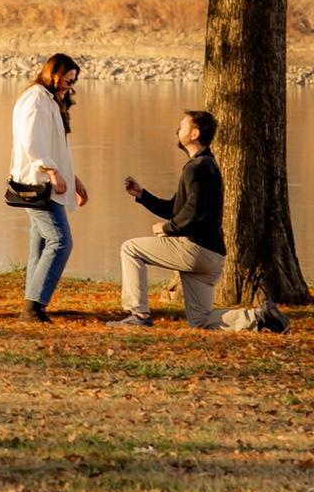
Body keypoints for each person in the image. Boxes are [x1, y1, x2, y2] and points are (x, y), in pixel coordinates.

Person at [109, 109, 289, 333]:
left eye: (182, 126)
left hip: (196, 251)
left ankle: (138, 314)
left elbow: (192, 215)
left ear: (194, 134)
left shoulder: (198, 168)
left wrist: (166, 229)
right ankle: (260, 317)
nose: (178, 130)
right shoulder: (204, 165)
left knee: (130, 248)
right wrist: (142, 195)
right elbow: (177, 209)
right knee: (201, 320)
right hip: (212, 257)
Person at [8, 53, 88, 322]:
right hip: (38, 183)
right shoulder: (36, 99)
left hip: (49, 180)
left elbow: (57, 147)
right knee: (60, 241)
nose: (69, 86)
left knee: (41, 243)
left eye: (72, 82)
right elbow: (32, 141)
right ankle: (33, 307)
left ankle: (33, 304)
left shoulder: (49, 100)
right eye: (68, 80)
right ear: (54, 73)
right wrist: (52, 170)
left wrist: (73, 178)